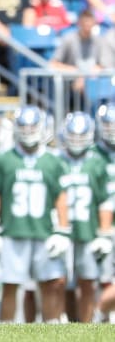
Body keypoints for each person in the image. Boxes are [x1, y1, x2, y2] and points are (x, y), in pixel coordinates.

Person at [0, 105, 70, 323]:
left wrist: (62, 229)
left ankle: (51, 328)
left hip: (44, 232)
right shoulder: (5, 159)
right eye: (24, 126)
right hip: (14, 231)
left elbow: (61, 197)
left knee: (50, 283)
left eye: (33, 126)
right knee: (10, 284)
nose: (29, 131)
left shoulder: (52, 161)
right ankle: (7, 328)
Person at [58, 111, 113, 323]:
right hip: (64, 230)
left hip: (89, 230)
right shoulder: (57, 160)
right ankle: (73, 325)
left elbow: (104, 200)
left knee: (89, 281)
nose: (77, 141)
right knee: (63, 282)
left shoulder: (96, 163)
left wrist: (103, 233)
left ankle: (90, 322)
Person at [94, 103, 115, 322]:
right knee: (96, 279)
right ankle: (96, 317)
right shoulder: (93, 155)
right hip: (100, 227)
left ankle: (98, 314)